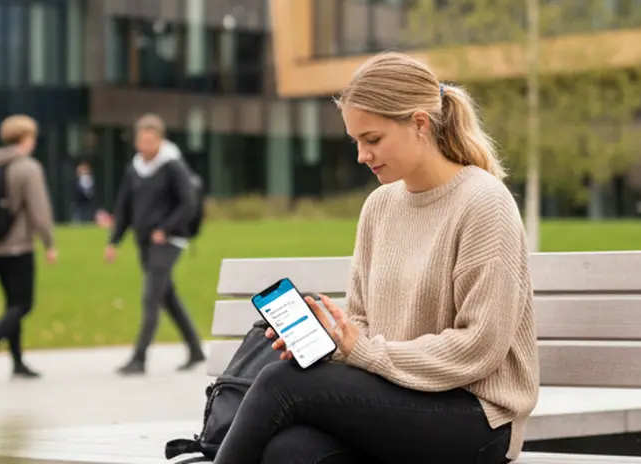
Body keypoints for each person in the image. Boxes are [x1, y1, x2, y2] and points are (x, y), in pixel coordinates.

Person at [210, 52, 539, 464]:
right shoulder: (379, 207)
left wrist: (365, 352)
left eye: (373, 139)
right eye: (356, 142)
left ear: (420, 124)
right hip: (396, 398)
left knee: (281, 383)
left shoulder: (484, 203)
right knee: (288, 452)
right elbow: (363, 321)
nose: (362, 156)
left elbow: (479, 347)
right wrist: (334, 343)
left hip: (477, 418)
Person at [104, 114, 206, 375]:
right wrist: (114, 241)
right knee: (167, 297)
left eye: (150, 140)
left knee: (151, 296)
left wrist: (166, 229)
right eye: (141, 140)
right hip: (144, 241)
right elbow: (124, 206)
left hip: (169, 241)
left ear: (161, 140)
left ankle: (139, 358)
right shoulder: (135, 168)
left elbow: (188, 203)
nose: (145, 145)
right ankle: (196, 350)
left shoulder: (173, 166)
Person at [0, 114, 58, 383]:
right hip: (18, 245)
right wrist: (49, 242)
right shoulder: (27, 168)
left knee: (12, 304)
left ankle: (17, 362)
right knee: (24, 304)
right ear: (26, 138)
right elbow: (39, 209)